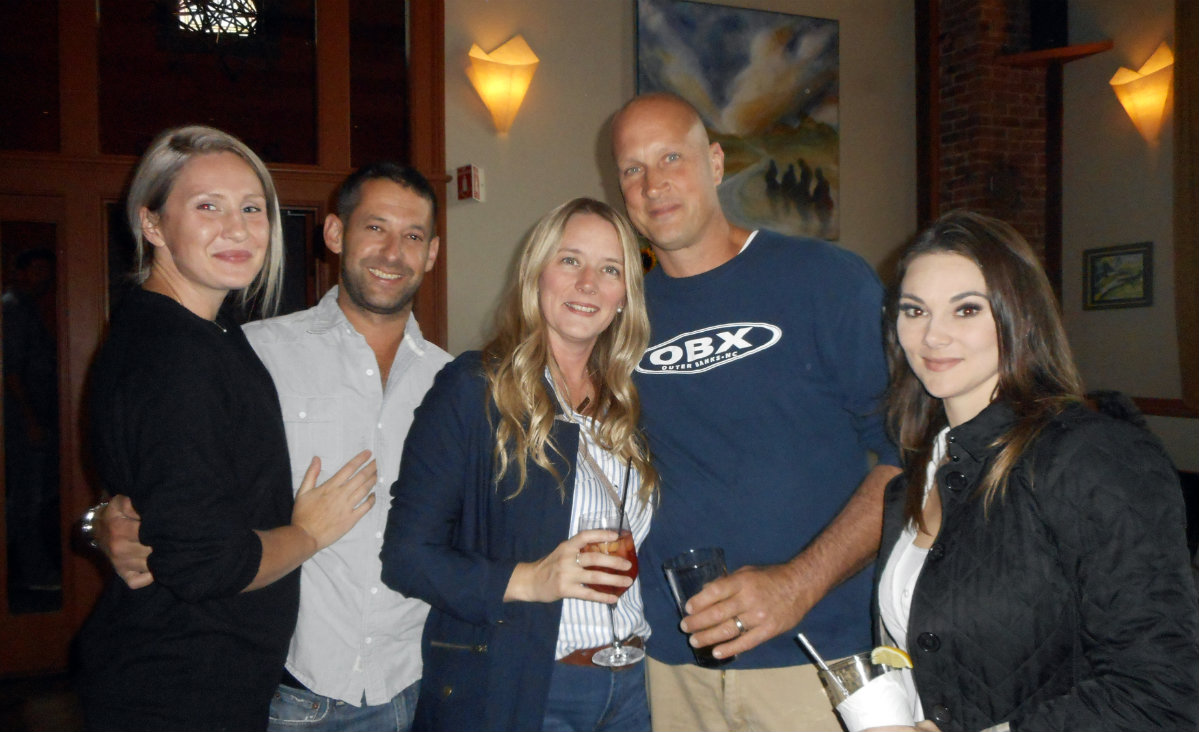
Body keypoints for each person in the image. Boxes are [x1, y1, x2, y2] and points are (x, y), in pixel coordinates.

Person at [91, 162, 451, 731]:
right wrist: (101, 521)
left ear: (431, 254)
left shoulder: (454, 385)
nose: (392, 252)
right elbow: (157, 470)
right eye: (375, 228)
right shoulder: (253, 356)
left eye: (412, 237)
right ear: (335, 234)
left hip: (420, 682)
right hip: (290, 695)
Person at [609, 92, 901, 731]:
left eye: (671, 158)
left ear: (715, 163)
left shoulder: (828, 281)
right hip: (673, 667)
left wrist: (796, 585)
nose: (653, 184)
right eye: (633, 169)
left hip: (818, 660)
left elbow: (910, 459)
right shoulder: (621, 320)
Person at [875, 209, 1199, 731]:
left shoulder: (1093, 458)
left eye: (966, 310)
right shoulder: (920, 472)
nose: (931, 336)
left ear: (1019, 316)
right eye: (914, 311)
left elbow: (1162, 693)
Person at [380, 197, 657, 732]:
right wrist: (528, 580)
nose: (588, 284)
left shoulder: (628, 407)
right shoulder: (474, 388)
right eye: (570, 260)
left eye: (610, 269)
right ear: (537, 274)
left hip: (629, 687)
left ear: (625, 296)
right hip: (526, 686)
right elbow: (406, 557)